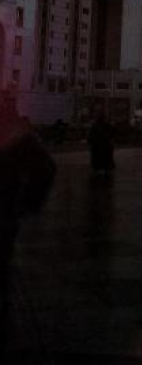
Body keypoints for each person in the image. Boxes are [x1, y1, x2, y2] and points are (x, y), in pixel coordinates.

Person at [0, 100, 56, 353]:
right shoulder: (18, 135)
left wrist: (27, 202)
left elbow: (44, 167)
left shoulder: (14, 135)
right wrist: (28, 202)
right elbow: (45, 167)